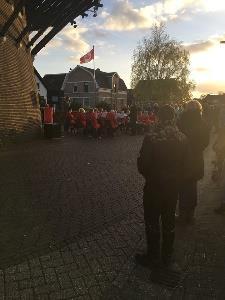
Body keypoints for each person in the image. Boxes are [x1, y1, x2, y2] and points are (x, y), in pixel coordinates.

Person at [136, 105, 189, 268]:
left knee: (152, 220)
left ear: (158, 117)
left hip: (154, 186)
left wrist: (150, 174)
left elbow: (143, 164)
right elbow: (186, 165)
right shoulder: (182, 138)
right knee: (169, 220)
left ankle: (153, 256)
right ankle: (167, 254)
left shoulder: (151, 137)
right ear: (174, 117)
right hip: (173, 188)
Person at [177, 100, 209, 224]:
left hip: (182, 160)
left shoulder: (180, 122)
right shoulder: (204, 123)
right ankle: (191, 215)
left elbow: (177, 140)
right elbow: (206, 143)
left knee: (182, 188)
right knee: (193, 187)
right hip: (196, 159)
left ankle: (182, 215)